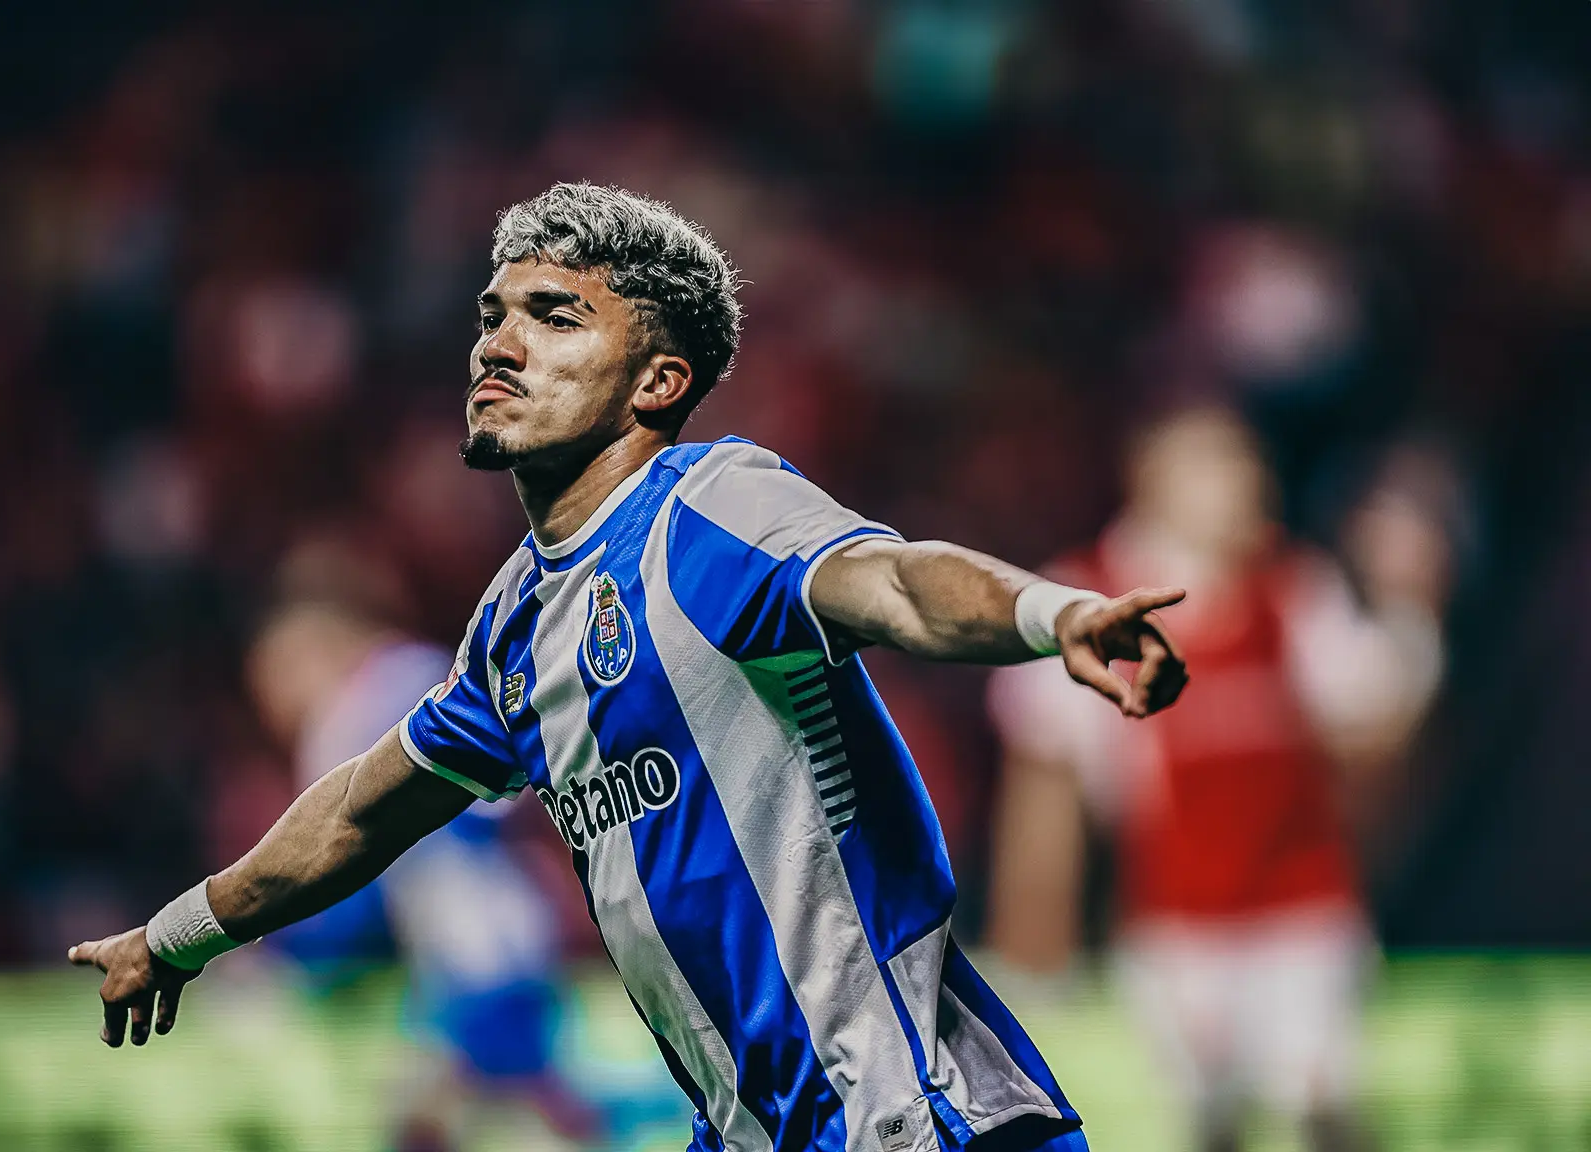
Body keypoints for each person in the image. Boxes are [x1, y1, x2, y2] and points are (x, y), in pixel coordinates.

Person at [69, 183, 1190, 1152]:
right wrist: (179, 936)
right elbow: (365, 809)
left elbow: (891, 581)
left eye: (554, 318)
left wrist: (1048, 614)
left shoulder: (708, 509)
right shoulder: (515, 623)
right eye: (494, 316)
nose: (498, 346)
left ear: (655, 383)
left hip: (911, 1116)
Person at [984, 409, 1446, 1152]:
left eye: (1247, 464)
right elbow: (1046, 790)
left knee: (1324, 1105)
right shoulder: (1087, 601)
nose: (1245, 484)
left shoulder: (1294, 590)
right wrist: (1034, 947)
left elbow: (1366, 735)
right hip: (1175, 929)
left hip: (1302, 912)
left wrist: (1410, 614)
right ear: (1151, 481)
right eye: (1216, 465)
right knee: (1207, 1123)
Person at [244, 594, 596, 1150]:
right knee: (485, 1106)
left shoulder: (347, 722)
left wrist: (283, 949)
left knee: (503, 1110)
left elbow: (345, 873)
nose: (273, 704)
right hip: (503, 933)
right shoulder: (428, 674)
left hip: (475, 950)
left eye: (276, 679)